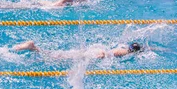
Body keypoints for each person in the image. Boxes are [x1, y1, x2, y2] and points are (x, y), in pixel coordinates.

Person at [13, 41, 144, 59]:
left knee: (61, 55)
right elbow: (106, 54)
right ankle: (34, 48)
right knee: (58, 58)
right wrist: (100, 56)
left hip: (93, 51)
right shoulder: (125, 52)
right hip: (94, 55)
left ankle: (35, 49)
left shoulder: (122, 46)